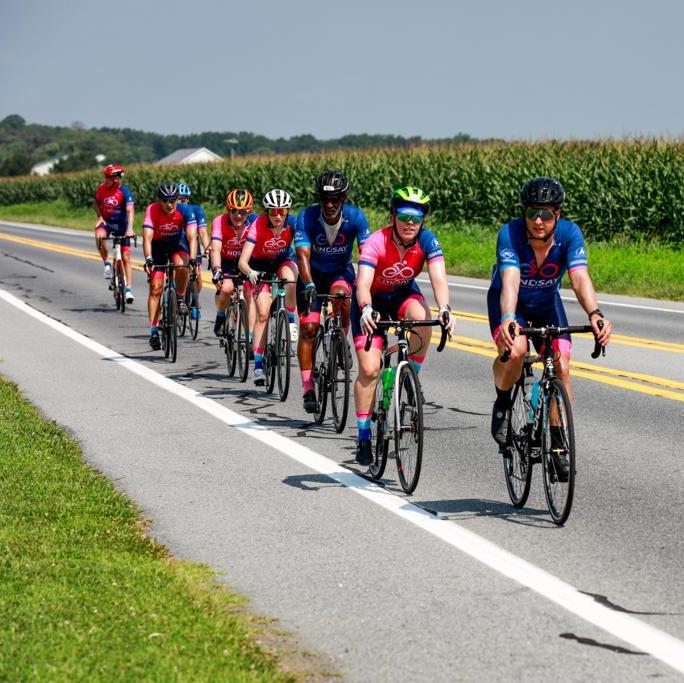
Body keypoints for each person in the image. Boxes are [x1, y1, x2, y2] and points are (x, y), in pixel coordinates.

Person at [488, 176, 612, 472]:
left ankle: (557, 443)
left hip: (546, 303)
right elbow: (510, 280)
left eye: (545, 214)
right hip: (511, 303)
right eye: (532, 212)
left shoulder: (570, 234)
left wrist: (594, 313)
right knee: (516, 352)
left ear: (557, 214)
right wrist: (508, 318)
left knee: (562, 366)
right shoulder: (510, 233)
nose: (538, 221)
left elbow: (579, 277)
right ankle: (503, 402)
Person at [352, 186, 454, 466]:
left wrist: (445, 309)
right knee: (370, 370)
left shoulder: (428, 241)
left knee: (422, 318)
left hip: (401, 295)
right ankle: (363, 435)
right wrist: (366, 308)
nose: (410, 222)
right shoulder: (376, 241)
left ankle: (411, 380)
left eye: (417, 217)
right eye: (404, 216)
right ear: (392, 217)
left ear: (423, 221)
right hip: (371, 301)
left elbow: (439, 278)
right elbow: (363, 283)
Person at [295, 170, 371, 413]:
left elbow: (368, 255)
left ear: (343, 198)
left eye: (335, 199)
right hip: (311, 275)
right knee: (309, 328)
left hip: (340, 272)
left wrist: (368, 284)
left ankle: (341, 339)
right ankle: (308, 387)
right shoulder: (307, 216)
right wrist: (308, 284)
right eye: (324, 199)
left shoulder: (355, 217)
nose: (329, 204)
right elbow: (302, 255)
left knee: (342, 296)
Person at [237, 189, 298, 385]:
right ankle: (258, 366)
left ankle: (290, 320)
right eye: (273, 211)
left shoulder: (293, 223)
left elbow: (305, 248)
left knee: (290, 279)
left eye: (282, 211)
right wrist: (250, 273)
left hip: (282, 262)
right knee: (262, 314)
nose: (278, 216)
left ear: (287, 211)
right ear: (266, 212)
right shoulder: (257, 225)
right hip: (259, 267)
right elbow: (242, 262)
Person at [142, 182, 198, 350]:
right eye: (165, 201)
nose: (169, 204)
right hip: (158, 247)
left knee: (182, 266)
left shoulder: (185, 210)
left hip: (177, 244)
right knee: (156, 288)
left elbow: (192, 237)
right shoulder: (152, 210)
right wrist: (149, 258)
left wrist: (193, 259)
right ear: (159, 201)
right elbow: (147, 238)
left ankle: (180, 297)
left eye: (173, 200)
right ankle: (153, 332)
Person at [210, 189, 258, 336]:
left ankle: (250, 337)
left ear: (249, 212)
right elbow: (215, 249)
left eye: (243, 212)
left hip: (247, 262)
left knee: (249, 293)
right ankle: (220, 316)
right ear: (228, 209)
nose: (238, 215)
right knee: (226, 289)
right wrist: (217, 269)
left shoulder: (255, 222)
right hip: (226, 261)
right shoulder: (219, 221)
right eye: (234, 211)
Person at [93, 164, 135, 303]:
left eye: (108, 178)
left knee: (126, 256)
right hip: (107, 222)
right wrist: (100, 216)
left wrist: (130, 228)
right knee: (99, 236)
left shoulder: (124, 191)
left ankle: (128, 289)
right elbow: (95, 202)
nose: (105, 180)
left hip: (122, 225)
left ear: (115, 179)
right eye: (105, 177)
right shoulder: (101, 188)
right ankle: (106, 263)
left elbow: (130, 211)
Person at [177, 182, 209, 319]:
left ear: (188, 199)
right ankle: (172, 302)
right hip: (178, 245)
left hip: (192, 245)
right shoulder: (172, 211)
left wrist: (207, 248)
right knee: (175, 271)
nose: (181, 202)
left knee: (197, 276)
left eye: (183, 199)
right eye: (178, 199)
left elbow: (203, 232)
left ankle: (194, 301)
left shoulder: (196, 211)